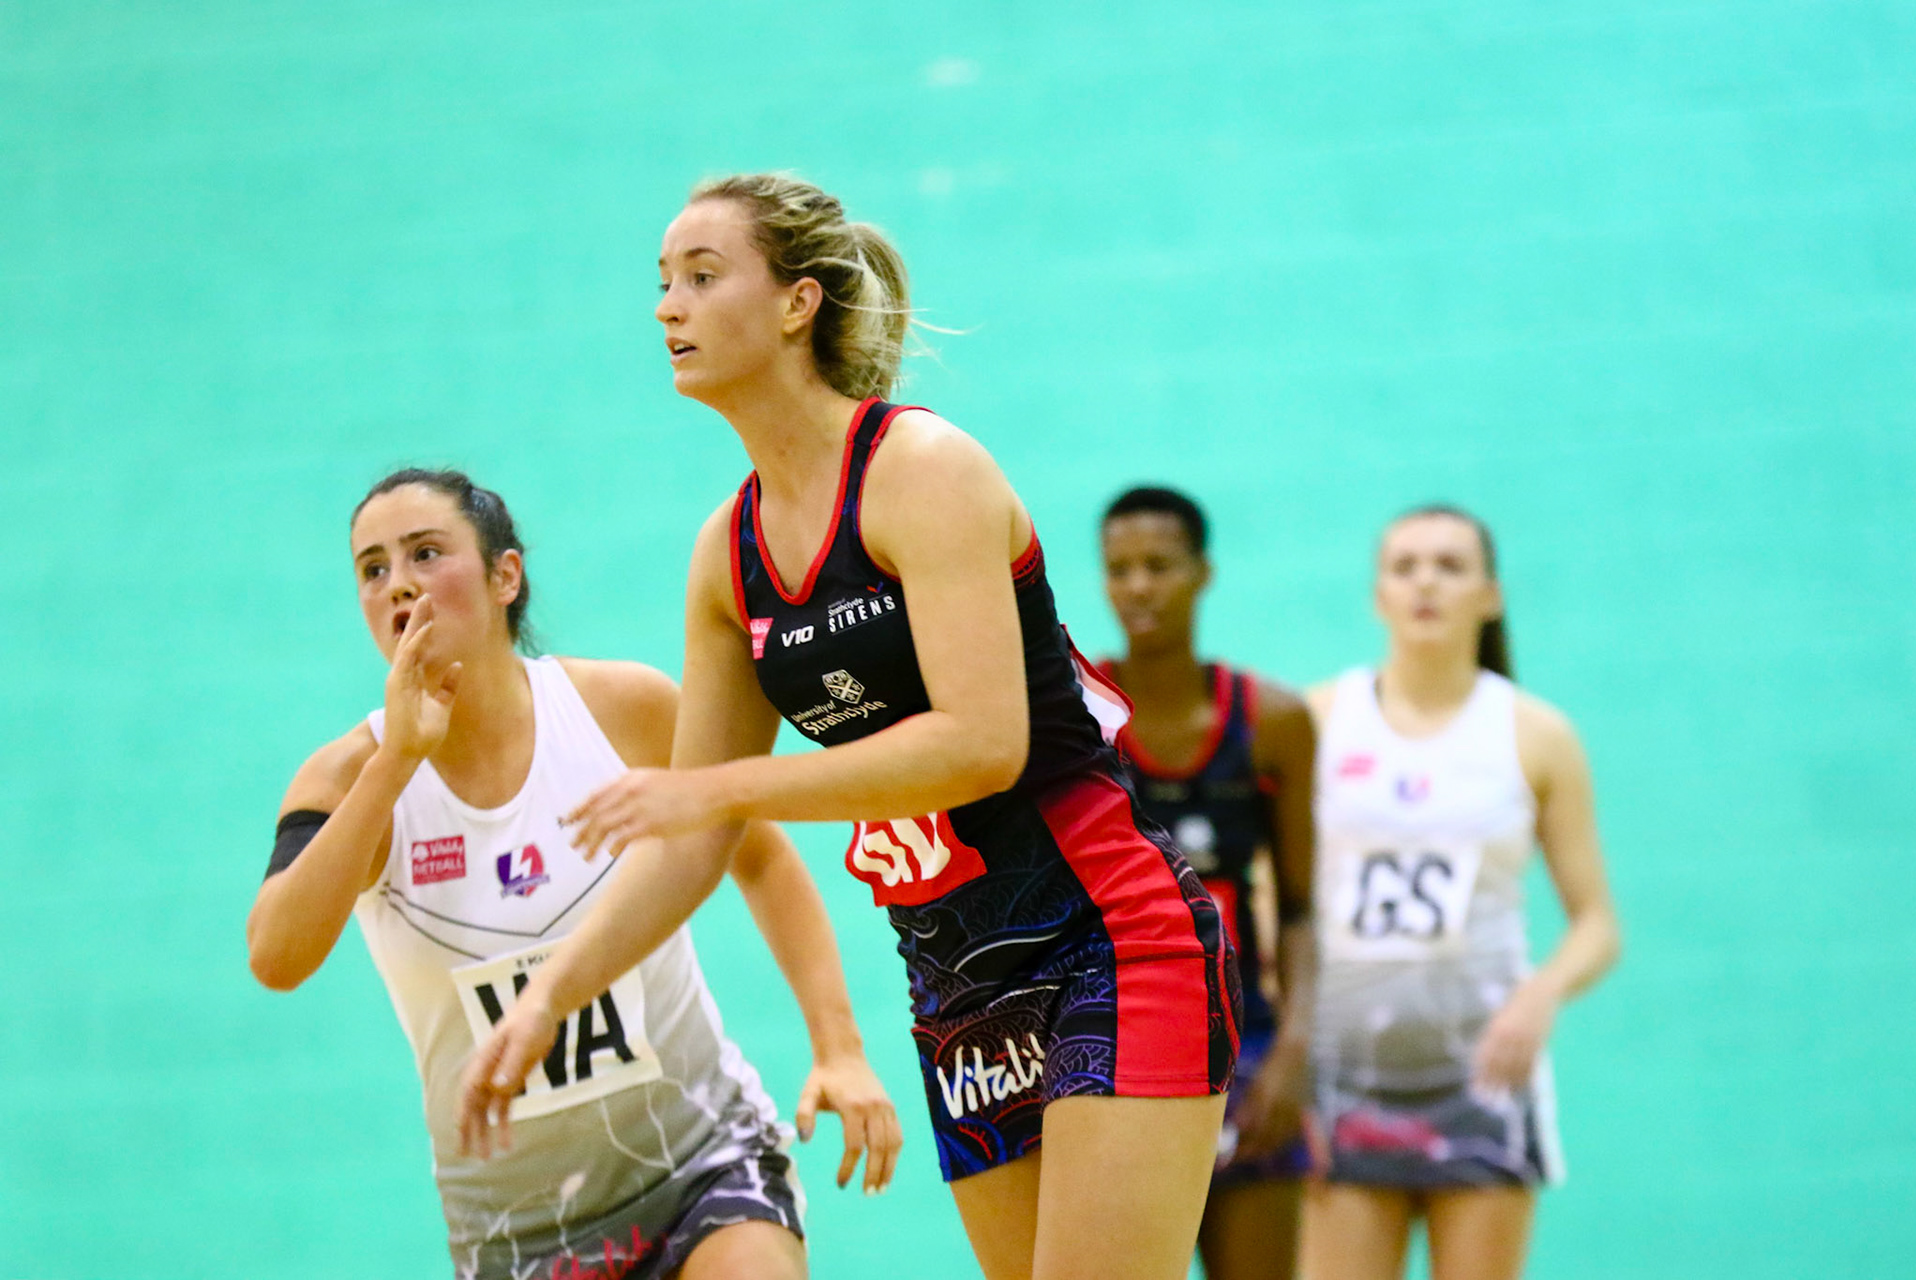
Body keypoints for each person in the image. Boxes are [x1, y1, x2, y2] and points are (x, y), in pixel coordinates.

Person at [455, 174, 1240, 1280]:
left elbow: (981, 743)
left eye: (701, 276)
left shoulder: (920, 468)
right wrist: (548, 997)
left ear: (797, 302)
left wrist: (723, 787)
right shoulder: (726, 556)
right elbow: (692, 843)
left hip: (1106, 940)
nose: (667, 305)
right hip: (957, 986)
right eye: (663, 282)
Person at [246, 468, 901, 1280]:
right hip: (519, 1231)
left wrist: (839, 1049)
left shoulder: (620, 707)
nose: (399, 585)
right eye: (372, 569)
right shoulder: (347, 777)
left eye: (426, 553)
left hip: (702, 1162)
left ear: (504, 576)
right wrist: (398, 761)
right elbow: (276, 956)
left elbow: (759, 855)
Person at [1299, 505, 1622, 1280]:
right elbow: (1273, 903)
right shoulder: (1317, 720)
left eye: (1449, 566)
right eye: (1405, 566)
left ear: (1491, 594)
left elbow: (1597, 924)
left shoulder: (1537, 735)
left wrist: (1540, 995)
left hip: (1484, 1079)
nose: (1426, 584)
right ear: (1378, 593)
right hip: (1340, 1079)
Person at [1097, 486, 1316, 1280]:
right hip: (1114, 1051)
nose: (1139, 587)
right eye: (1120, 569)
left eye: (1159, 565)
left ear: (1202, 574)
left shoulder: (1275, 721)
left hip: (1247, 1048)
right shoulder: (1078, 719)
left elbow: (1301, 908)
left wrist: (1295, 1052)